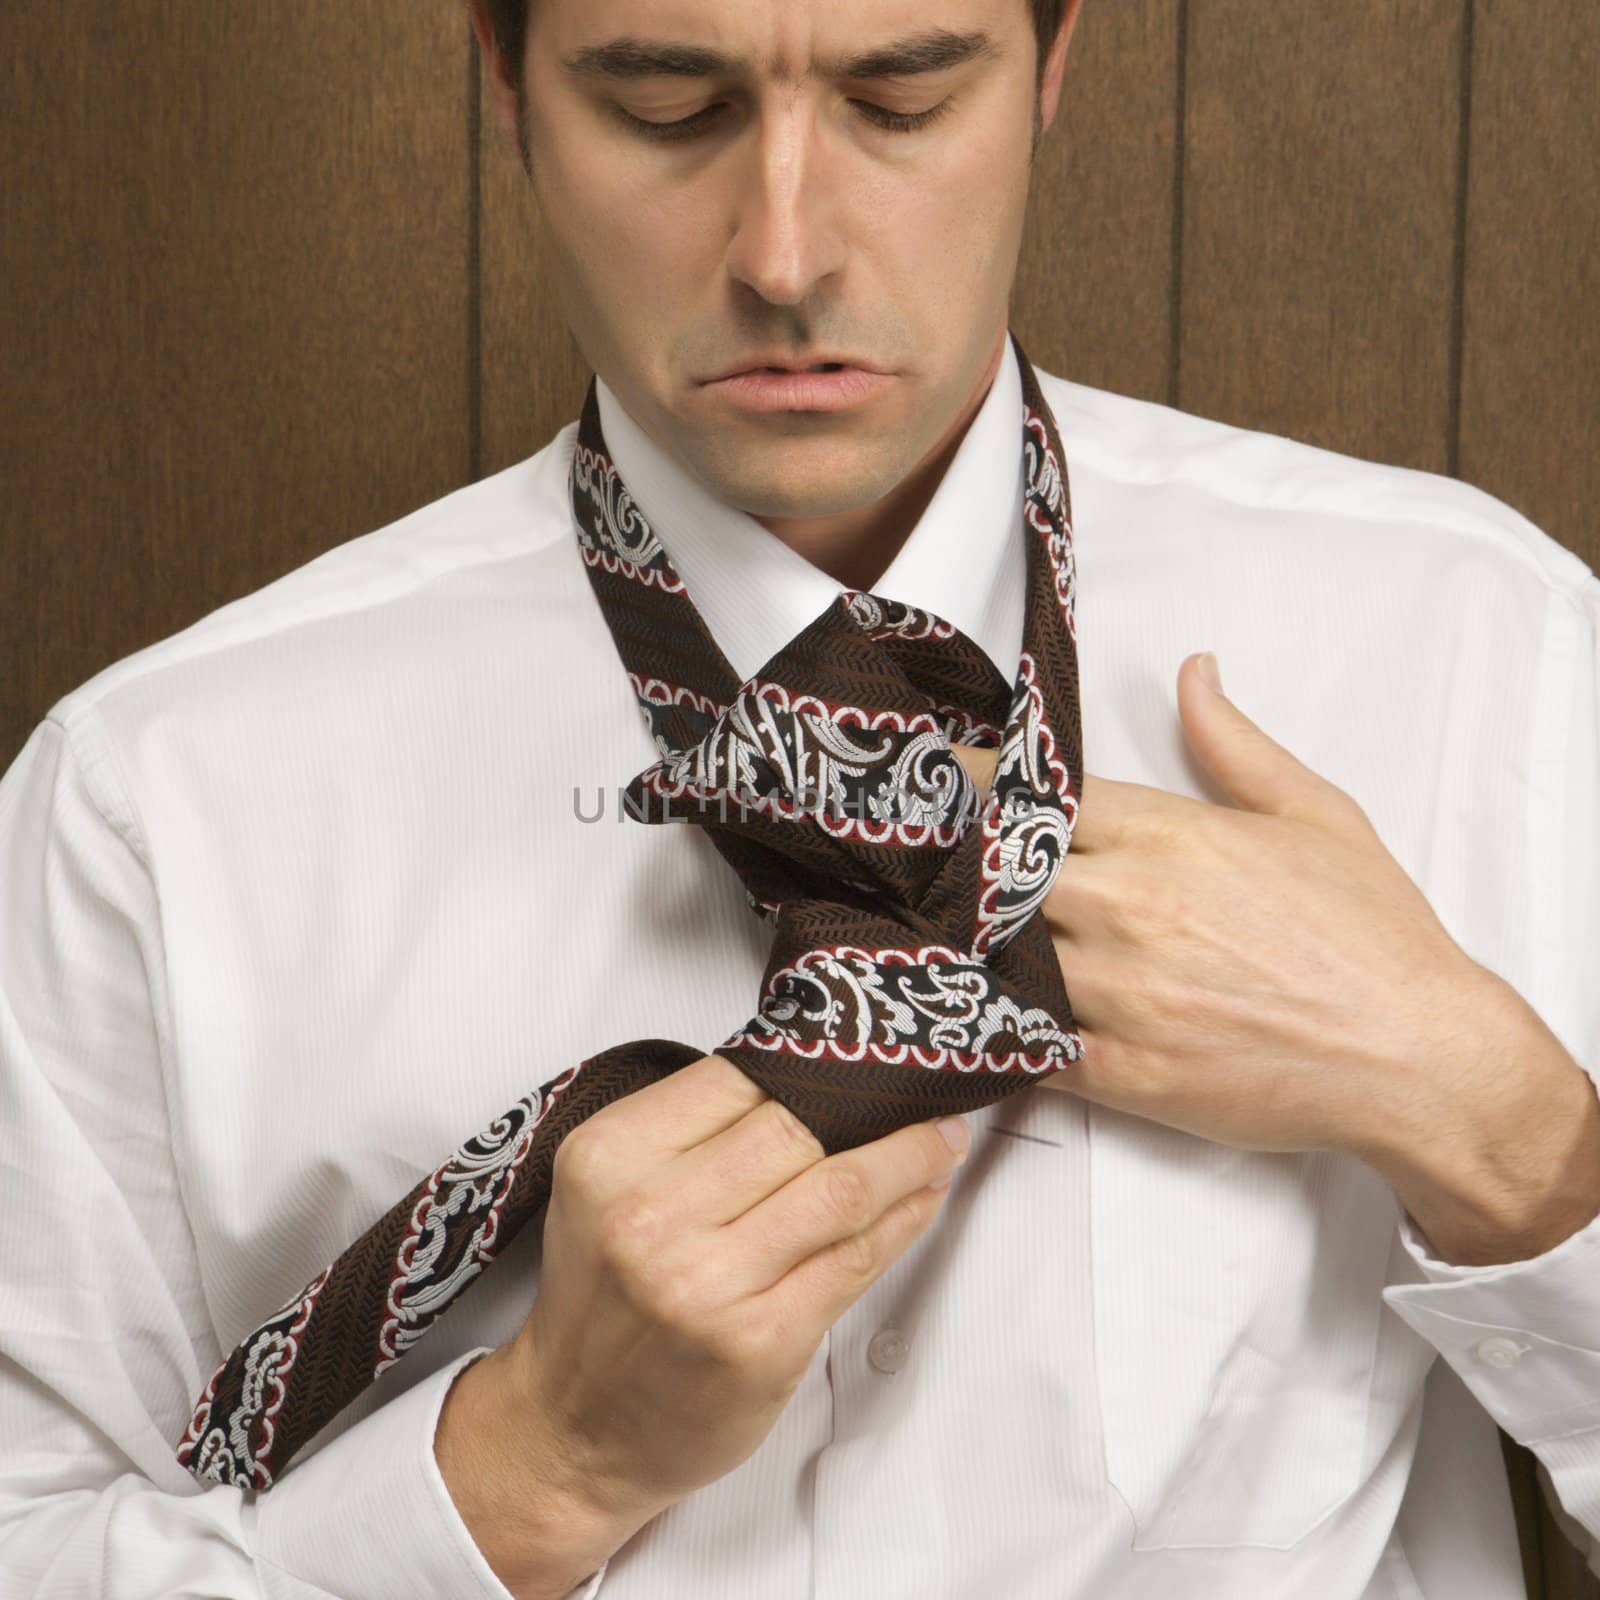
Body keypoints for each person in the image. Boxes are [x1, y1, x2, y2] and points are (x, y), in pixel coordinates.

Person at [3, 0, 1598, 1596]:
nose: (786, 252)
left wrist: (1501, 1130)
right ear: (509, 87)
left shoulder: (1473, 655)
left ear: (1050, 65)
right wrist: (533, 1472)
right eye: (665, 104)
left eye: (899, 99)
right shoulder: (156, 804)